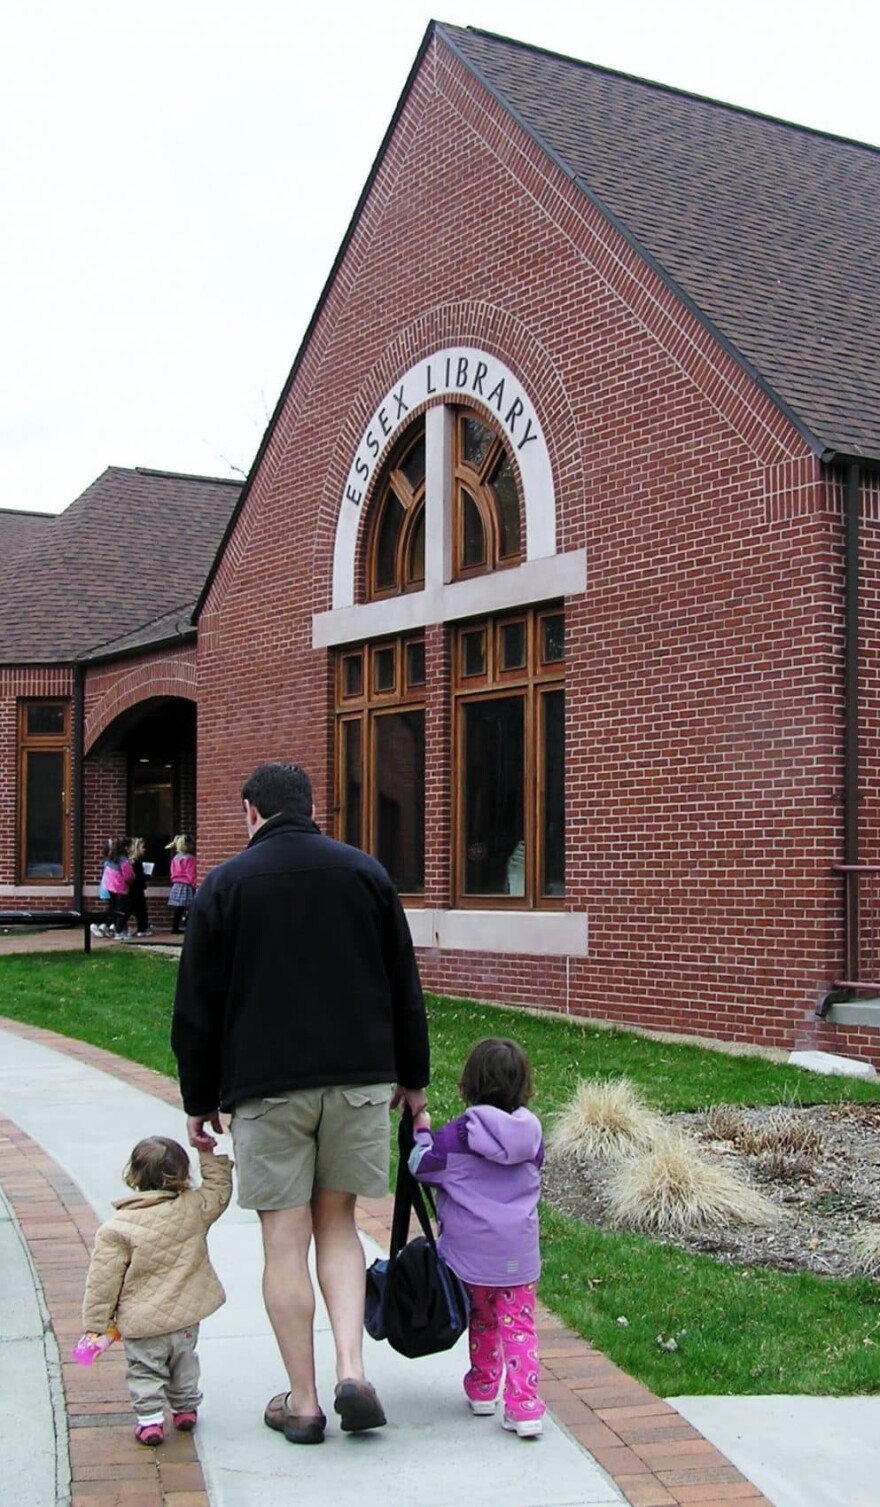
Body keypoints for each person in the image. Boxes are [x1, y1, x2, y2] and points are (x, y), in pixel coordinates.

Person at [171, 760, 429, 1446]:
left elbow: (196, 1003)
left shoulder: (225, 884)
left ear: (252, 810)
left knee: (284, 1239)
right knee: (339, 1224)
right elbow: (405, 983)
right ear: (311, 808)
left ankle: (305, 1401)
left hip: (265, 1083)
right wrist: (415, 1080)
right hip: (358, 1079)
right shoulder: (365, 873)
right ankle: (353, 1370)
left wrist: (198, 1096)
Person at [408, 1037, 546, 1439]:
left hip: (468, 1259)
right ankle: (524, 1407)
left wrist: (421, 1131)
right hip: (519, 1257)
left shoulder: (456, 1138)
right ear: (523, 1084)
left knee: (482, 1320)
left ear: (468, 1083)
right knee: (519, 1328)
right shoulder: (532, 1137)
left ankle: (484, 1388)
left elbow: (421, 1166)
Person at [81, 1134, 233, 1446]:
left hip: (142, 1323)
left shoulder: (117, 1228)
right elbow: (219, 1192)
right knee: (184, 1362)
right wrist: (208, 1154)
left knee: (145, 1372)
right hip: (186, 1318)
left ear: (132, 1175)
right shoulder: (192, 1208)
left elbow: (103, 1281)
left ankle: (150, 1421)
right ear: (182, 1175)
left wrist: (96, 1324)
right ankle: (185, 1408)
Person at [90, 836, 132, 938]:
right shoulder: (123, 860)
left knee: (113, 907)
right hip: (120, 888)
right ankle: (118, 930)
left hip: (109, 888)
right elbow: (128, 875)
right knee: (122, 909)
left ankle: (106, 925)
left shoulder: (108, 861)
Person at [121, 836, 153, 938]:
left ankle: (140, 928)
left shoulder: (132, 861)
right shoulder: (135, 863)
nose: (144, 850)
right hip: (136, 890)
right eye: (142, 847)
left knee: (134, 910)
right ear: (137, 848)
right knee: (139, 910)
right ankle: (142, 929)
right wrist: (147, 876)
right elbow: (138, 877)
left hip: (132, 890)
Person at [166, 833, 197, 933]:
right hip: (186, 885)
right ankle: (188, 924)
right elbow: (190, 873)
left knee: (179, 909)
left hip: (176, 885)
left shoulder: (175, 858)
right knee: (191, 906)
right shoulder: (190, 858)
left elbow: (172, 872)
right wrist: (195, 884)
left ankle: (175, 927)